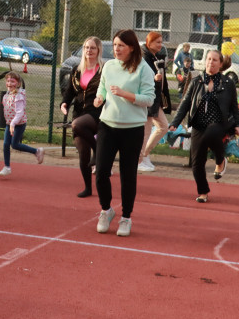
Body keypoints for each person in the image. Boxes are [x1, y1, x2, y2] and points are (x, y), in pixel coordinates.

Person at [93, 29, 154, 237]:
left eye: (121, 45)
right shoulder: (109, 66)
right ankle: (106, 210)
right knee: (101, 172)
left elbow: (148, 99)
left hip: (132, 129)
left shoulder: (143, 69)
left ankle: (126, 217)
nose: (116, 49)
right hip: (107, 126)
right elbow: (102, 88)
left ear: (131, 48)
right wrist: (99, 98)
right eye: (115, 44)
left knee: (128, 176)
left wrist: (125, 94)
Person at [169, 49, 239, 202]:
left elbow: (234, 107)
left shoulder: (228, 83)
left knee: (211, 134)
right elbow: (185, 103)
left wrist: (238, 124)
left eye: (215, 60)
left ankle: (220, 160)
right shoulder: (197, 81)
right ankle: (203, 192)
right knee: (197, 162)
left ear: (220, 64)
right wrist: (175, 122)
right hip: (199, 124)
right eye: (208, 59)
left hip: (218, 123)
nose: (211, 62)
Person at [61, 36, 104, 197]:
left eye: (92, 48)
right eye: (86, 47)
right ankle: (88, 188)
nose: (89, 51)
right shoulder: (76, 70)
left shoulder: (103, 70)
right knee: (83, 152)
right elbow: (70, 92)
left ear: (98, 50)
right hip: (79, 111)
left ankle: (97, 149)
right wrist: (64, 103)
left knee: (76, 125)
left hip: (96, 112)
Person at [0, 71, 45, 177]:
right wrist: (10, 123)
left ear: (18, 83)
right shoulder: (7, 94)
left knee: (14, 145)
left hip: (18, 124)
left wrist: (13, 124)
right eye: (8, 81)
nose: (9, 84)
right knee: (6, 144)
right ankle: (7, 167)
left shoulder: (19, 96)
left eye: (12, 81)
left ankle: (37, 151)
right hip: (9, 124)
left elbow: (20, 113)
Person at [138, 31, 172, 172]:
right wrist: (154, 79)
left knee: (163, 126)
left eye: (161, 41)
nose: (160, 45)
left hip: (155, 100)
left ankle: (144, 155)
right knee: (146, 131)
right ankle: (139, 160)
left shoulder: (156, 57)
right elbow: (141, 78)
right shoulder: (144, 58)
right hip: (147, 99)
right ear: (149, 42)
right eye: (157, 42)